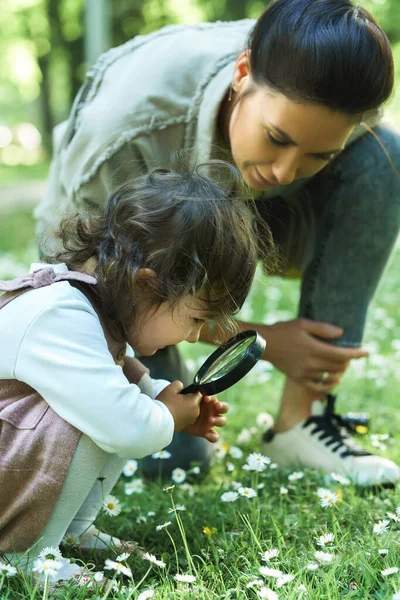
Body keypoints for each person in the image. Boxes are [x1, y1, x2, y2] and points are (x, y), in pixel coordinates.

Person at [35, 0, 400, 486]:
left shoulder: (336, 88)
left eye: (318, 155)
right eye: (277, 138)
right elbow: (100, 282)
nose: (285, 171)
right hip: (122, 265)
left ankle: (302, 422)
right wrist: (263, 342)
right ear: (243, 73)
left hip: (242, 209)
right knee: (171, 459)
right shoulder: (126, 135)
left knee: (387, 160)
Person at [0, 161, 264, 559]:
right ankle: (26, 554)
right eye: (195, 319)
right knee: (109, 415)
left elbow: (120, 380)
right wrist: (165, 416)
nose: (194, 336)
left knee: (115, 405)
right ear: (145, 283)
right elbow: (127, 426)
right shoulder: (60, 316)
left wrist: (165, 399)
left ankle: (72, 532)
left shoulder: (91, 305)